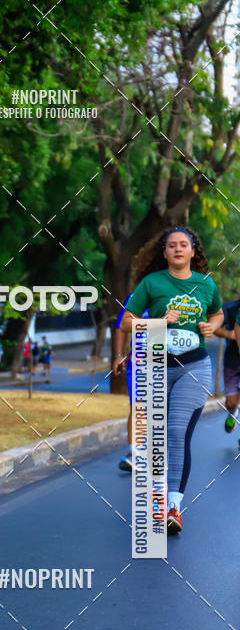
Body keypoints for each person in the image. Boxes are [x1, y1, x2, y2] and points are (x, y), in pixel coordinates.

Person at [120, 226, 223, 535]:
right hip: (156, 365)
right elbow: (126, 321)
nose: (178, 249)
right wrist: (158, 322)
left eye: (184, 245)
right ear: (163, 252)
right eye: (172, 245)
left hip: (194, 365)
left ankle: (173, 507)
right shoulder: (152, 283)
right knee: (158, 439)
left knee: (177, 432)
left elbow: (217, 314)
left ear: (194, 251)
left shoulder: (206, 284)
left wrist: (211, 327)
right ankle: (157, 500)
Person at [112, 293, 149, 472]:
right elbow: (120, 325)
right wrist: (119, 355)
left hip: (169, 361)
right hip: (139, 361)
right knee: (138, 407)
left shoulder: (177, 294)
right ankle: (134, 455)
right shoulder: (137, 295)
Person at [214, 297, 240, 435]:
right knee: (231, 403)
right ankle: (233, 413)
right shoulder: (229, 307)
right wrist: (228, 334)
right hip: (232, 359)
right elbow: (214, 327)